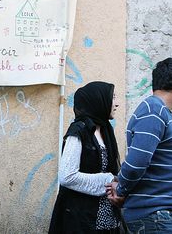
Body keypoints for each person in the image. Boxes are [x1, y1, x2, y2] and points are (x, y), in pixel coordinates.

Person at [106, 57, 172, 233]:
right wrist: (121, 189)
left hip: (158, 216)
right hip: (154, 217)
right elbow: (137, 161)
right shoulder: (153, 110)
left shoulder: (158, 111)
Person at [49, 81, 123, 234]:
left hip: (107, 219)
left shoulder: (106, 130)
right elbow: (67, 176)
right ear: (98, 100)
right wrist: (106, 180)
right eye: (113, 97)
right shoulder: (78, 131)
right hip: (80, 220)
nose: (117, 104)